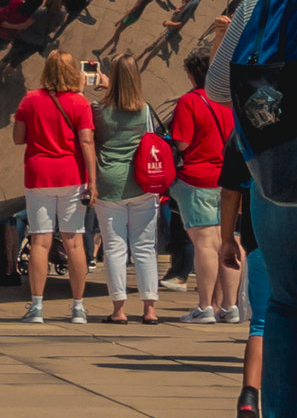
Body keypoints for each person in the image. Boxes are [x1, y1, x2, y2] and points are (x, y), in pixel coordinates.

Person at [14, 52, 96, 323]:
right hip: (72, 174)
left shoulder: (31, 99)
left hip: (39, 175)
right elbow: (86, 141)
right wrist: (93, 181)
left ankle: (37, 306)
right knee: (74, 241)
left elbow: (18, 138)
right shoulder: (80, 102)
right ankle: (78, 307)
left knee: (40, 239)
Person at [91, 56, 164, 325]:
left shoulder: (98, 110)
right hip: (142, 183)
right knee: (145, 247)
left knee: (114, 247)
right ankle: (149, 308)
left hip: (109, 182)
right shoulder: (144, 110)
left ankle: (119, 309)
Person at [166, 44, 235, 321]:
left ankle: (205, 306)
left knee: (205, 243)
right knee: (229, 241)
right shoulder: (231, 99)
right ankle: (229, 306)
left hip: (197, 179)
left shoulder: (190, 102)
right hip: (228, 179)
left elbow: (182, 143)